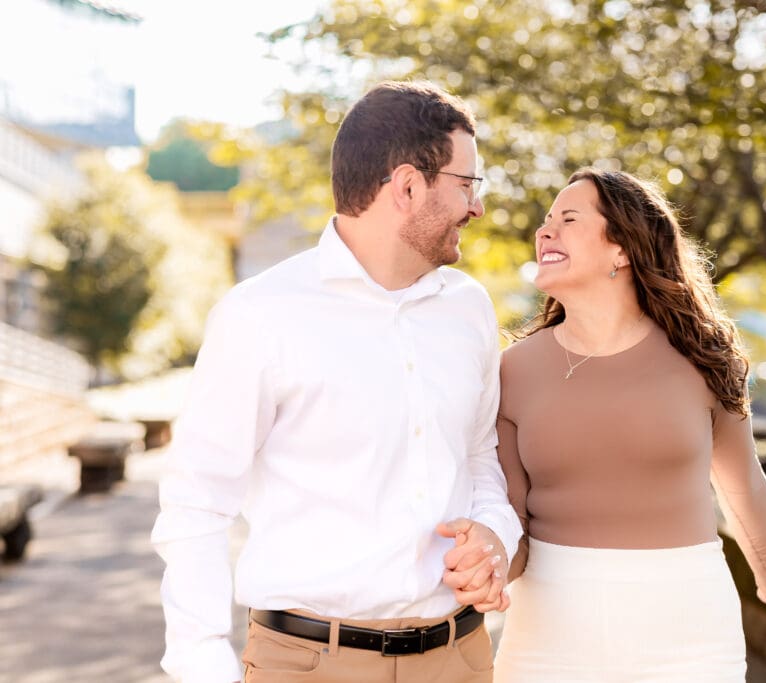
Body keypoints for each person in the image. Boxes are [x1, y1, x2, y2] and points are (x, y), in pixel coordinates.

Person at [151, 81, 522, 683]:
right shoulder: (260, 315)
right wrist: (202, 666)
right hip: (307, 666)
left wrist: (495, 534)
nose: (476, 206)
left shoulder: (470, 310)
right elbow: (197, 503)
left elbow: (481, 459)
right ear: (406, 186)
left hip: (462, 659)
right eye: (466, 183)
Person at [492, 169, 766, 682]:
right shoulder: (512, 370)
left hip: (690, 635)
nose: (544, 232)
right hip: (549, 639)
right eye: (546, 222)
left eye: (568, 220)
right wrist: (482, 566)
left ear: (623, 249)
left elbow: (741, 480)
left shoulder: (704, 357)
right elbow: (512, 526)